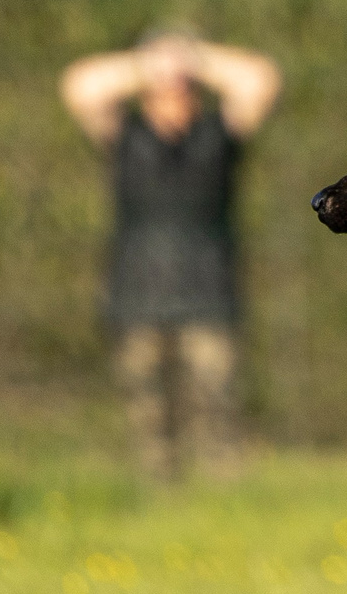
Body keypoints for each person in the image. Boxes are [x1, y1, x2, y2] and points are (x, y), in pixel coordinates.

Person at [62, 30, 281, 478]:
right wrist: (147, 63)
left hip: (209, 289)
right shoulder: (124, 135)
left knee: (218, 400)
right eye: (163, 87)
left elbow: (262, 80)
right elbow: (78, 86)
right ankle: (159, 493)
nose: (173, 94)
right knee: (147, 410)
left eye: (181, 87)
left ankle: (225, 495)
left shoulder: (218, 135)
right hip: (136, 288)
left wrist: (194, 58)